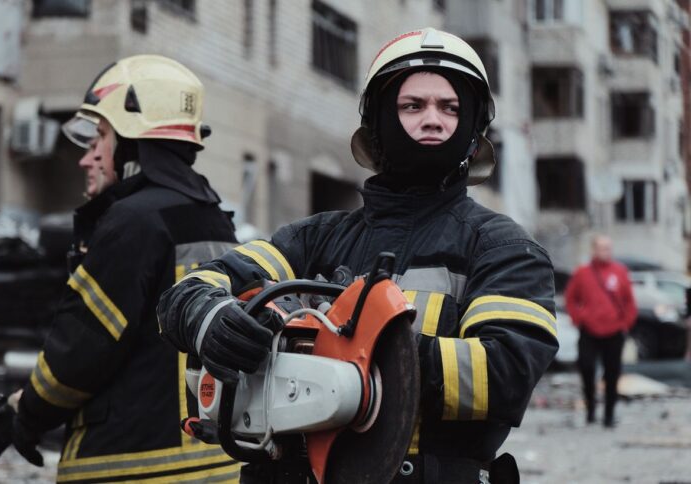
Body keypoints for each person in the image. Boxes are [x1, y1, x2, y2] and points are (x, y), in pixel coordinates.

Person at [157, 28, 558, 483]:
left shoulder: (503, 247)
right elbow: (191, 290)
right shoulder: (313, 239)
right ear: (379, 124)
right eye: (413, 106)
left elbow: (506, 374)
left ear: (473, 131)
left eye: (451, 108)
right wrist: (209, 320)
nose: (433, 121)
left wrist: (364, 358)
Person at [0, 55, 241, 482]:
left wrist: (23, 414)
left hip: (129, 465)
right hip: (216, 467)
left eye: (98, 138)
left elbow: (80, 350)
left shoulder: (131, 222)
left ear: (130, 144)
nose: (86, 158)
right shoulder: (214, 216)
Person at [565, 235, 637, 427]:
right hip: (589, 330)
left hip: (614, 331)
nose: (605, 252)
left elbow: (630, 302)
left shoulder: (620, 272)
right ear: (594, 250)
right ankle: (590, 409)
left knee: (612, 374)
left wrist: (625, 324)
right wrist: (577, 318)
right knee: (586, 368)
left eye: (608, 248)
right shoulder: (582, 273)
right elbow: (570, 298)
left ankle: (609, 415)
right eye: (602, 248)